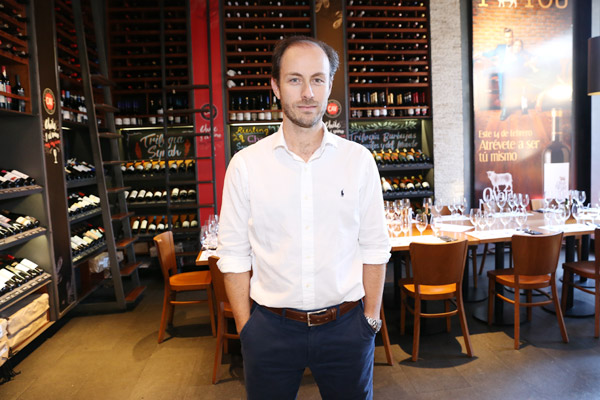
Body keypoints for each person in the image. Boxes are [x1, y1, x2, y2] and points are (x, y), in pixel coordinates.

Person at [217, 35, 391, 399]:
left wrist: (370, 320)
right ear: (275, 87)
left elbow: (375, 247)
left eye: (317, 79)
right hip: (270, 330)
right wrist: (247, 329)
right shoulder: (246, 165)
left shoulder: (358, 161)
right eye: (295, 79)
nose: (308, 93)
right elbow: (233, 255)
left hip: (347, 328)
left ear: (329, 85)